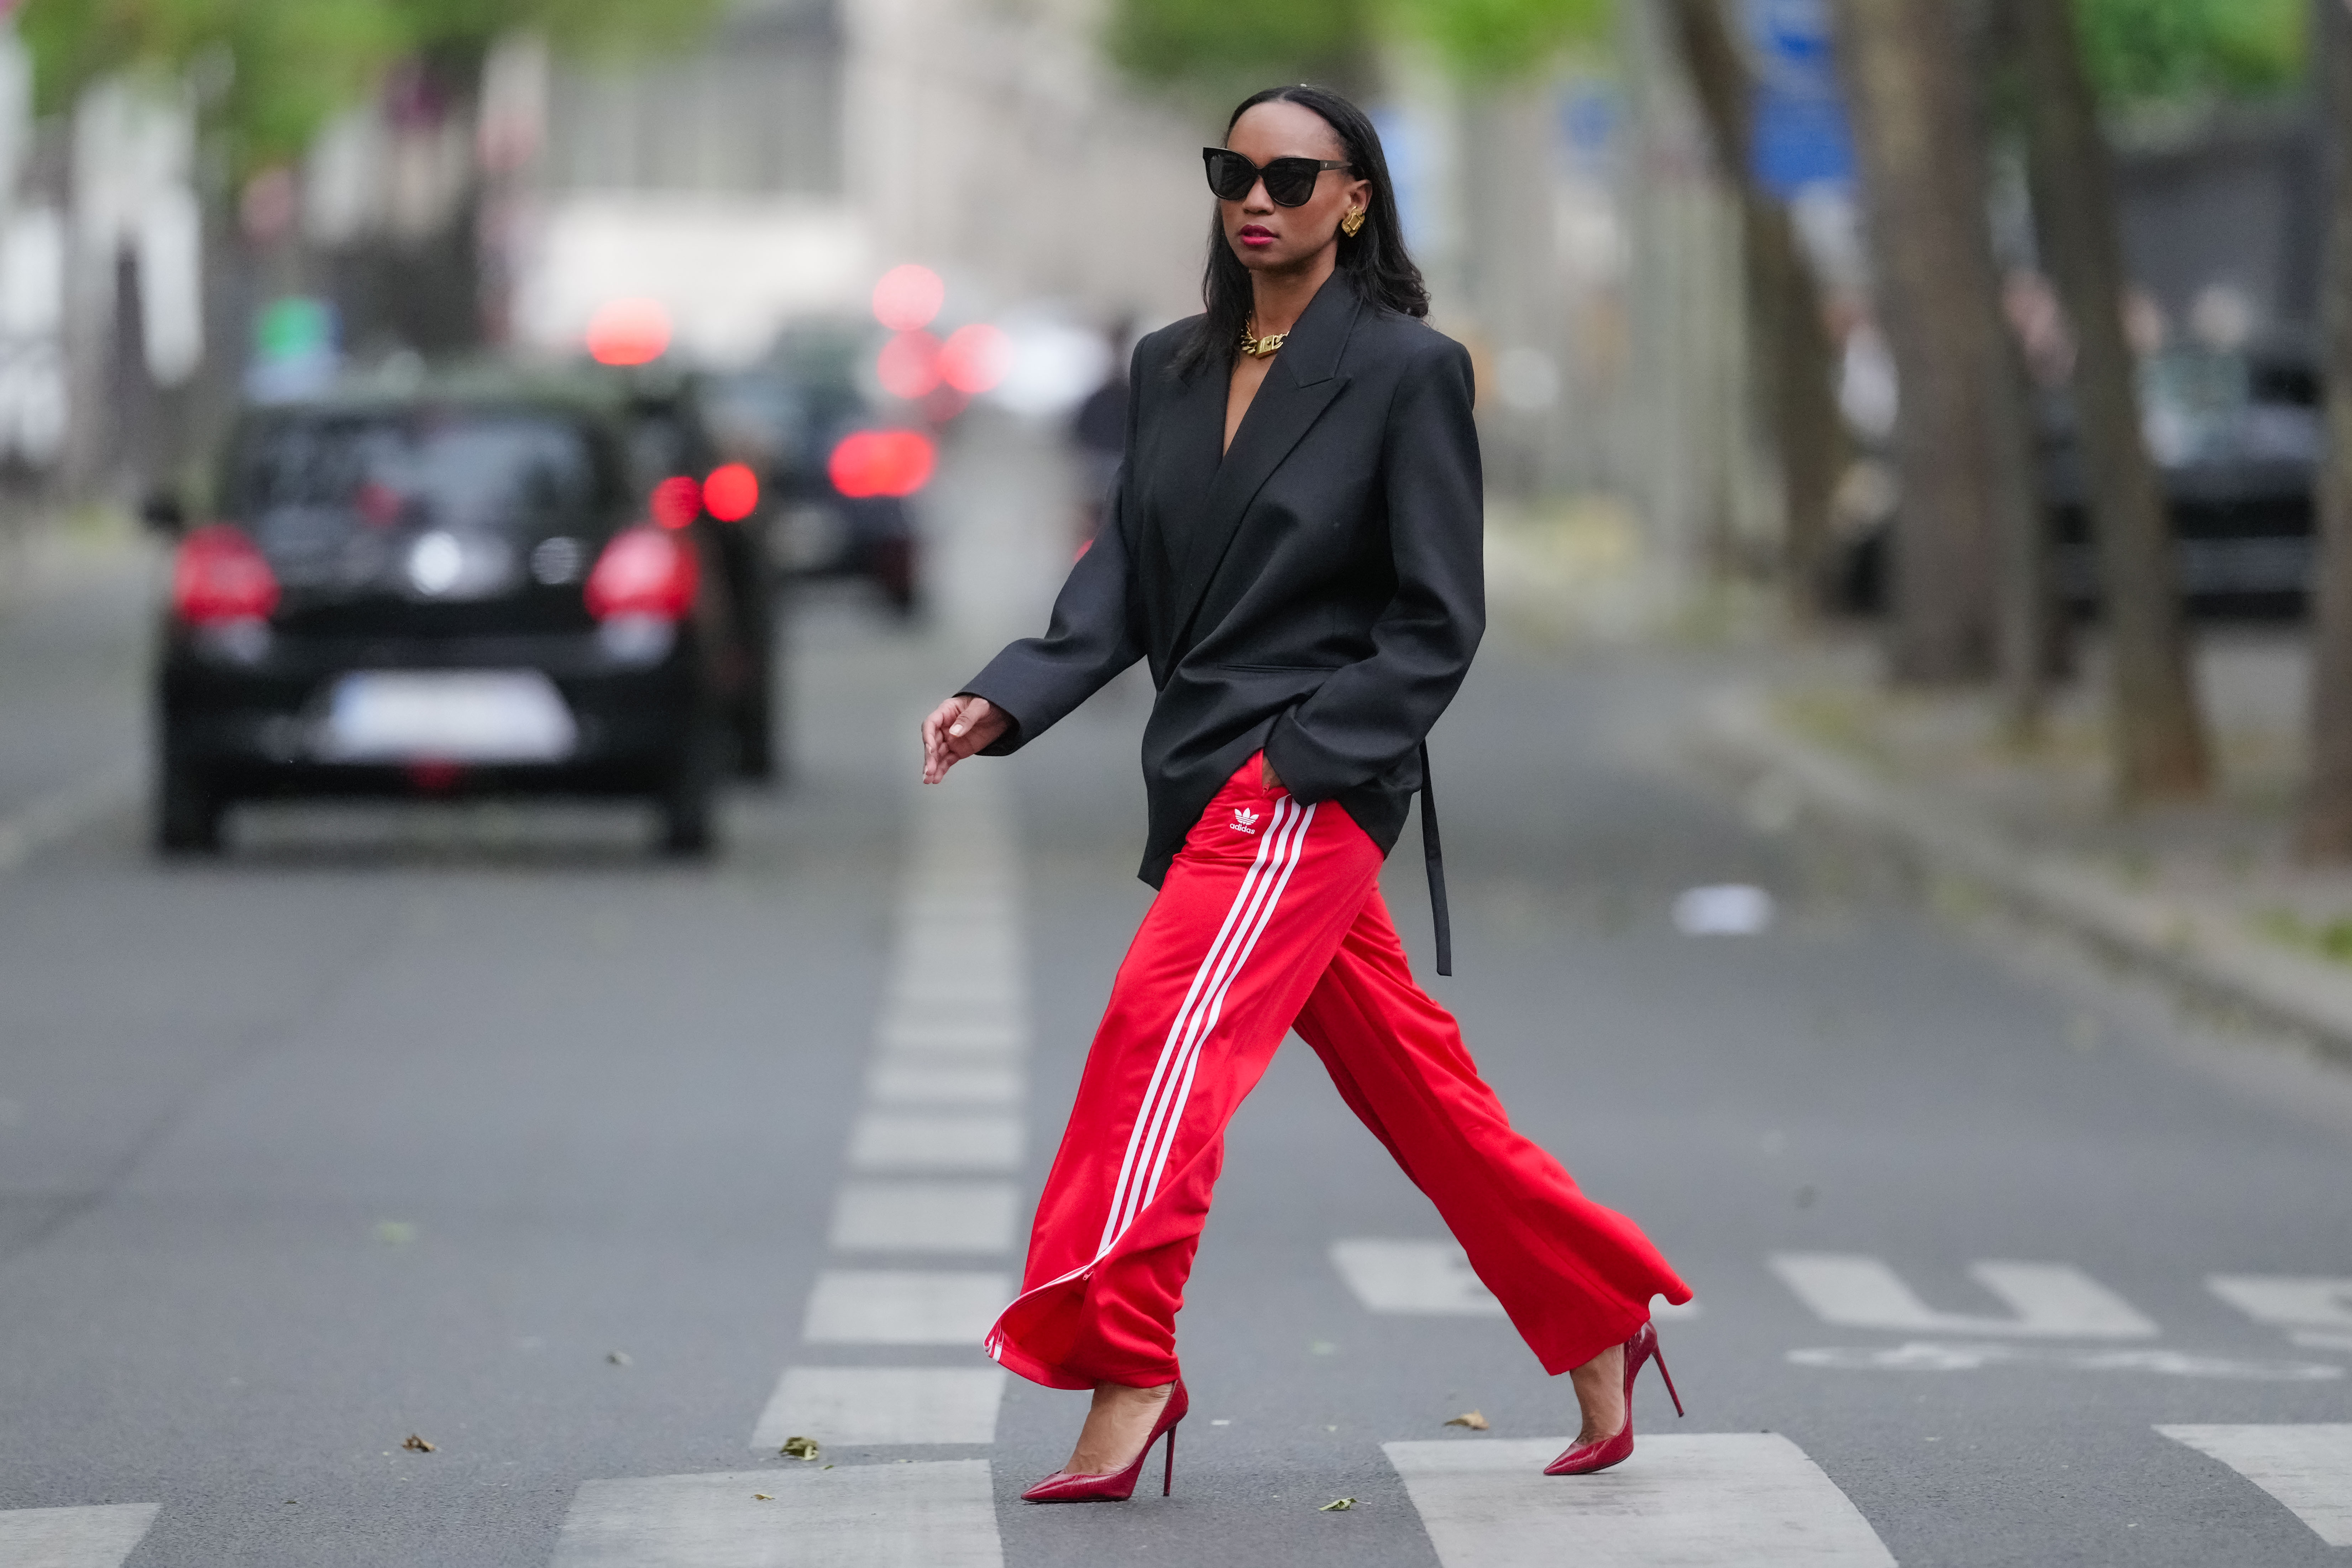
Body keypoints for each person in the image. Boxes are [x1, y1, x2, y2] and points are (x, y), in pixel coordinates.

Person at [919, 83, 1692, 1503]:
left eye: (1289, 174)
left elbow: (1434, 615)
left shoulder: (1406, 371)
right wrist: (1009, 690)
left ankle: (1126, 1354)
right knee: (1421, 1090)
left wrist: (1307, 759)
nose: (1255, 196)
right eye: (1233, 170)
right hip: (1200, 770)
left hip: (1300, 782)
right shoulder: (1167, 366)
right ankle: (1594, 1312)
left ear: (1354, 198)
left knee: (1153, 1057)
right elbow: (1123, 576)